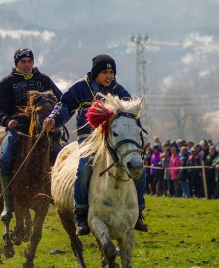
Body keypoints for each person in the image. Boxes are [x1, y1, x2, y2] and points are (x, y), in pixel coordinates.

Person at [43, 54, 148, 235]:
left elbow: (129, 118)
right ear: (95, 73)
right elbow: (65, 106)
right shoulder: (80, 88)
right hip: (87, 140)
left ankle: (138, 210)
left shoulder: (119, 91)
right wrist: (54, 119)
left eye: (112, 72)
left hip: (111, 142)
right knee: (84, 168)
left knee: (140, 169)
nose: (109, 76)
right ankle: (81, 212)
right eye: (105, 72)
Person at [0, 48, 63, 221]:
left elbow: (61, 102)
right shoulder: (6, 83)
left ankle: (59, 195)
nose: (27, 65)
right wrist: (8, 120)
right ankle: (8, 203)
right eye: (23, 62)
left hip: (43, 133)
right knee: (6, 157)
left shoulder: (43, 80)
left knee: (59, 155)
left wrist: (54, 121)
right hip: (17, 131)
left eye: (29, 61)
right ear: (16, 63)